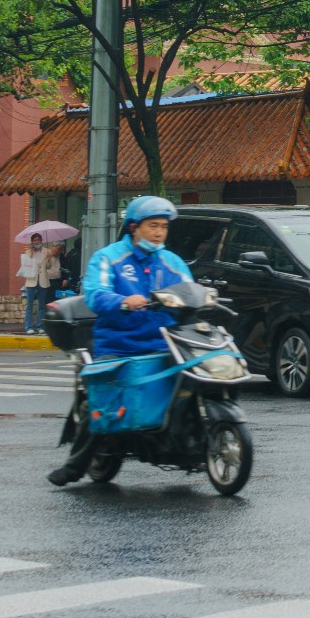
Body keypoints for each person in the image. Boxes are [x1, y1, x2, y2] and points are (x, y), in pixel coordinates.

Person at [49, 195, 193, 486]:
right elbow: (95, 293)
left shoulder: (171, 261)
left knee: (194, 381)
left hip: (165, 344)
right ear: (134, 227)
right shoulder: (109, 258)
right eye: (153, 226)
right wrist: (124, 301)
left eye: (163, 227)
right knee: (101, 406)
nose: (159, 232)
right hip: (119, 345)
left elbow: (190, 289)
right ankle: (75, 467)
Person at [17, 239, 60, 335]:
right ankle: (29, 327)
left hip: (43, 280)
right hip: (31, 281)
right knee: (29, 305)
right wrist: (31, 255)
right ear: (32, 242)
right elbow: (25, 265)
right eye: (35, 240)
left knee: (41, 305)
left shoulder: (47, 251)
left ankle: (40, 326)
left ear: (42, 241)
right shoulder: (28, 252)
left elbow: (48, 267)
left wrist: (49, 259)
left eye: (39, 240)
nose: (37, 242)